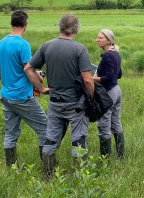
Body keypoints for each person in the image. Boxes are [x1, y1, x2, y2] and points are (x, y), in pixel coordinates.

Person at [24, 14, 94, 177]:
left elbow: (28, 68)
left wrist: (41, 88)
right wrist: (91, 97)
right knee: (79, 139)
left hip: (55, 102)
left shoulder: (46, 46)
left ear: (60, 27)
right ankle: (79, 177)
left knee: (51, 139)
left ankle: (48, 175)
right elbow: (88, 80)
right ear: (76, 28)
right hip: (76, 103)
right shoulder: (80, 49)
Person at [0, 10, 48, 167]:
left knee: (10, 134)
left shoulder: (1, 43)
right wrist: (41, 87)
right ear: (25, 25)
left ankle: (11, 168)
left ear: (11, 23)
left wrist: (10, 81)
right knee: (45, 128)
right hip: (22, 96)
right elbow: (28, 70)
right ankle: (49, 169)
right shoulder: (23, 45)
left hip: (6, 96)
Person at [92, 29, 125, 160]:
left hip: (108, 92)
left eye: (100, 38)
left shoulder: (107, 55)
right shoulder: (115, 53)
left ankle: (105, 161)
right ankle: (120, 157)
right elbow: (119, 74)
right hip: (117, 90)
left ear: (109, 41)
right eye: (97, 37)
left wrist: (91, 78)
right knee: (115, 122)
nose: (97, 40)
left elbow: (110, 77)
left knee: (103, 124)